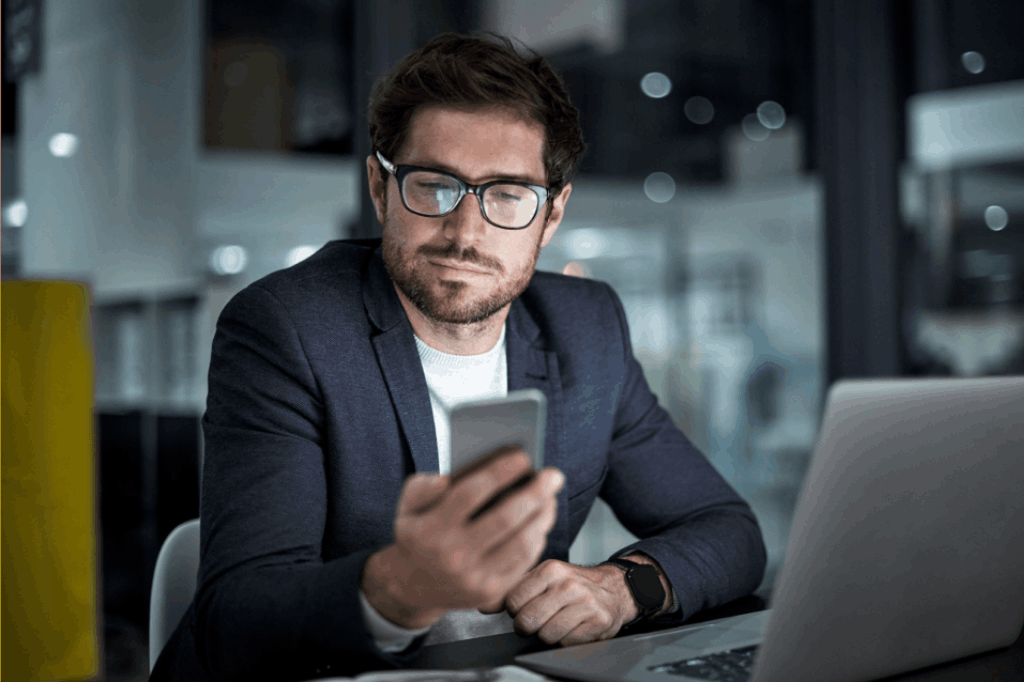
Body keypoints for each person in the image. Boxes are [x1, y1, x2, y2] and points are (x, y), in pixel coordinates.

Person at [150, 32, 766, 682]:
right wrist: (401, 587)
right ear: (380, 189)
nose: (465, 233)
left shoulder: (586, 328)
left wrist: (622, 589)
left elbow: (726, 530)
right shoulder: (287, 328)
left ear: (551, 214)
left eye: (506, 195)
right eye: (434, 185)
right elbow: (236, 620)